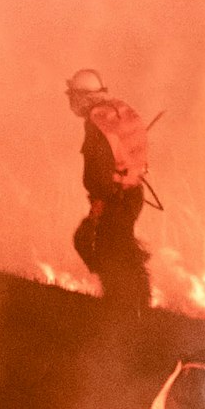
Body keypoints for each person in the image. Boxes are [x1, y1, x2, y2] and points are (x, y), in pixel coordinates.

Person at [67, 66, 155, 316]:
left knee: (107, 251)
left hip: (113, 197)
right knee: (122, 249)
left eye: (74, 95)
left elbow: (100, 168)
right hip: (131, 193)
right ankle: (136, 304)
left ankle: (121, 306)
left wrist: (99, 203)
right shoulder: (114, 113)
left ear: (83, 96)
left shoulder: (97, 125)